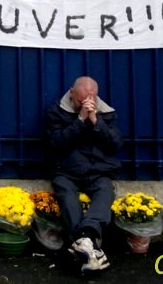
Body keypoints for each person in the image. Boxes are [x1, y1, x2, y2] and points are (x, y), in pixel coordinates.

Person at [45, 76, 124, 273]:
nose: (87, 104)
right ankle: (91, 246)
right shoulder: (57, 111)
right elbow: (57, 142)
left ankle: (85, 238)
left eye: (91, 99)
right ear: (71, 94)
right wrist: (80, 120)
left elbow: (115, 143)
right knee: (67, 196)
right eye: (81, 100)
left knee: (105, 191)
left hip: (98, 171)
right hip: (67, 171)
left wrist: (96, 121)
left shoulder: (106, 113)